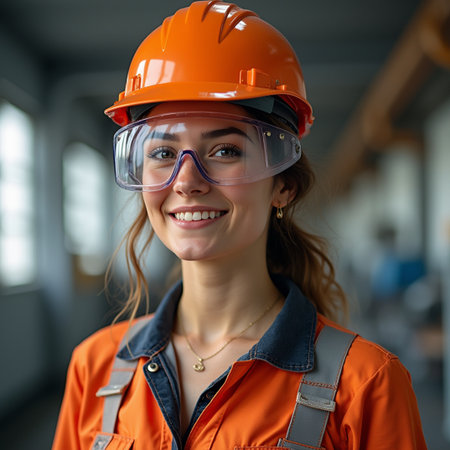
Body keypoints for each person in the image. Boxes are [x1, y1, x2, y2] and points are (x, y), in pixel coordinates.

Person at [52, 1, 427, 449]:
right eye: (163, 154)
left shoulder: (366, 385)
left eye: (225, 151)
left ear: (283, 185)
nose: (187, 182)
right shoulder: (94, 368)